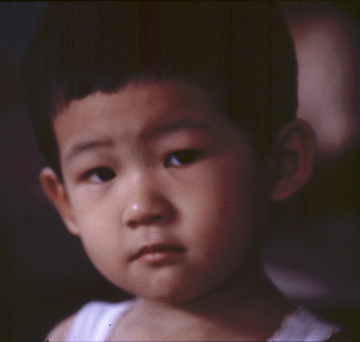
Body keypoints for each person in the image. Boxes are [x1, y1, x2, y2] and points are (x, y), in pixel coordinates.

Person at [22, 2, 347, 341]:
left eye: (181, 156)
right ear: (65, 203)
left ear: (283, 162)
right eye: (101, 173)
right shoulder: (75, 335)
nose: (142, 208)